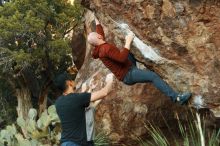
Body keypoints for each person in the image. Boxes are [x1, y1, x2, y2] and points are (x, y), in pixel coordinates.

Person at [87, 17, 191, 105]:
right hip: (128, 74)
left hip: (128, 67)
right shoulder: (105, 49)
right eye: (98, 34)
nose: (99, 34)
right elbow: (122, 58)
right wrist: (128, 42)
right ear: (99, 37)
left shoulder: (99, 46)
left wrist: (97, 19)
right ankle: (177, 98)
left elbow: (99, 32)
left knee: (132, 51)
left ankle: (144, 67)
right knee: (152, 76)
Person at [54, 72, 113, 146]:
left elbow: (76, 104)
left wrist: (88, 89)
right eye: (72, 79)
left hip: (65, 143)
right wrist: (110, 80)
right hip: (78, 143)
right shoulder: (78, 98)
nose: (73, 81)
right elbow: (104, 92)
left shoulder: (58, 103)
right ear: (69, 82)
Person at [81, 81, 102, 146]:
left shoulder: (92, 107)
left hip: (90, 140)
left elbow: (100, 97)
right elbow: (84, 99)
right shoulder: (83, 108)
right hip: (84, 140)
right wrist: (90, 88)